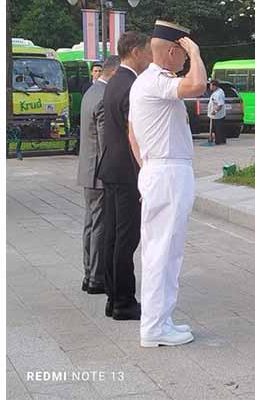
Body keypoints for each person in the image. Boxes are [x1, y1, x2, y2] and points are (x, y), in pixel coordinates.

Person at [128, 20, 206, 347]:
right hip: (168, 172)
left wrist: (147, 169)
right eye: (183, 54)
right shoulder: (157, 80)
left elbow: (132, 132)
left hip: (160, 170)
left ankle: (161, 320)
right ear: (173, 51)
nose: (186, 61)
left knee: (163, 251)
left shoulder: (145, 82)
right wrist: (196, 53)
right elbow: (197, 85)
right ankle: (155, 327)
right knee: (164, 252)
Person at [96, 31, 152, 321]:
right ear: (135, 51)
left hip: (111, 167)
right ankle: (123, 302)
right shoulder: (132, 85)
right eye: (148, 51)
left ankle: (112, 297)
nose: (151, 57)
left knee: (111, 235)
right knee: (125, 239)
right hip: (127, 171)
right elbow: (135, 135)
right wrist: (145, 170)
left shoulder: (114, 80)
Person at [77, 56, 120, 294]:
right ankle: (96, 278)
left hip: (88, 170)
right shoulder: (104, 97)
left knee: (90, 224)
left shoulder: (90, 92)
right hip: (99, 172)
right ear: (113, 73)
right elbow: (106, 143)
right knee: (100, 226)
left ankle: (88, 273)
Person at [207, 79, 227, 145]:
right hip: (216, 115)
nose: (210, 87)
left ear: (214, 86)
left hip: (218, 115)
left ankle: (219, 141)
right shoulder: (216, 92)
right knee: (217, 128)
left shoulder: (219, 94)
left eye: (211, 85)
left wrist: (215, 111)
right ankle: (221, 140)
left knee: (218, 129)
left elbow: (220, 104)